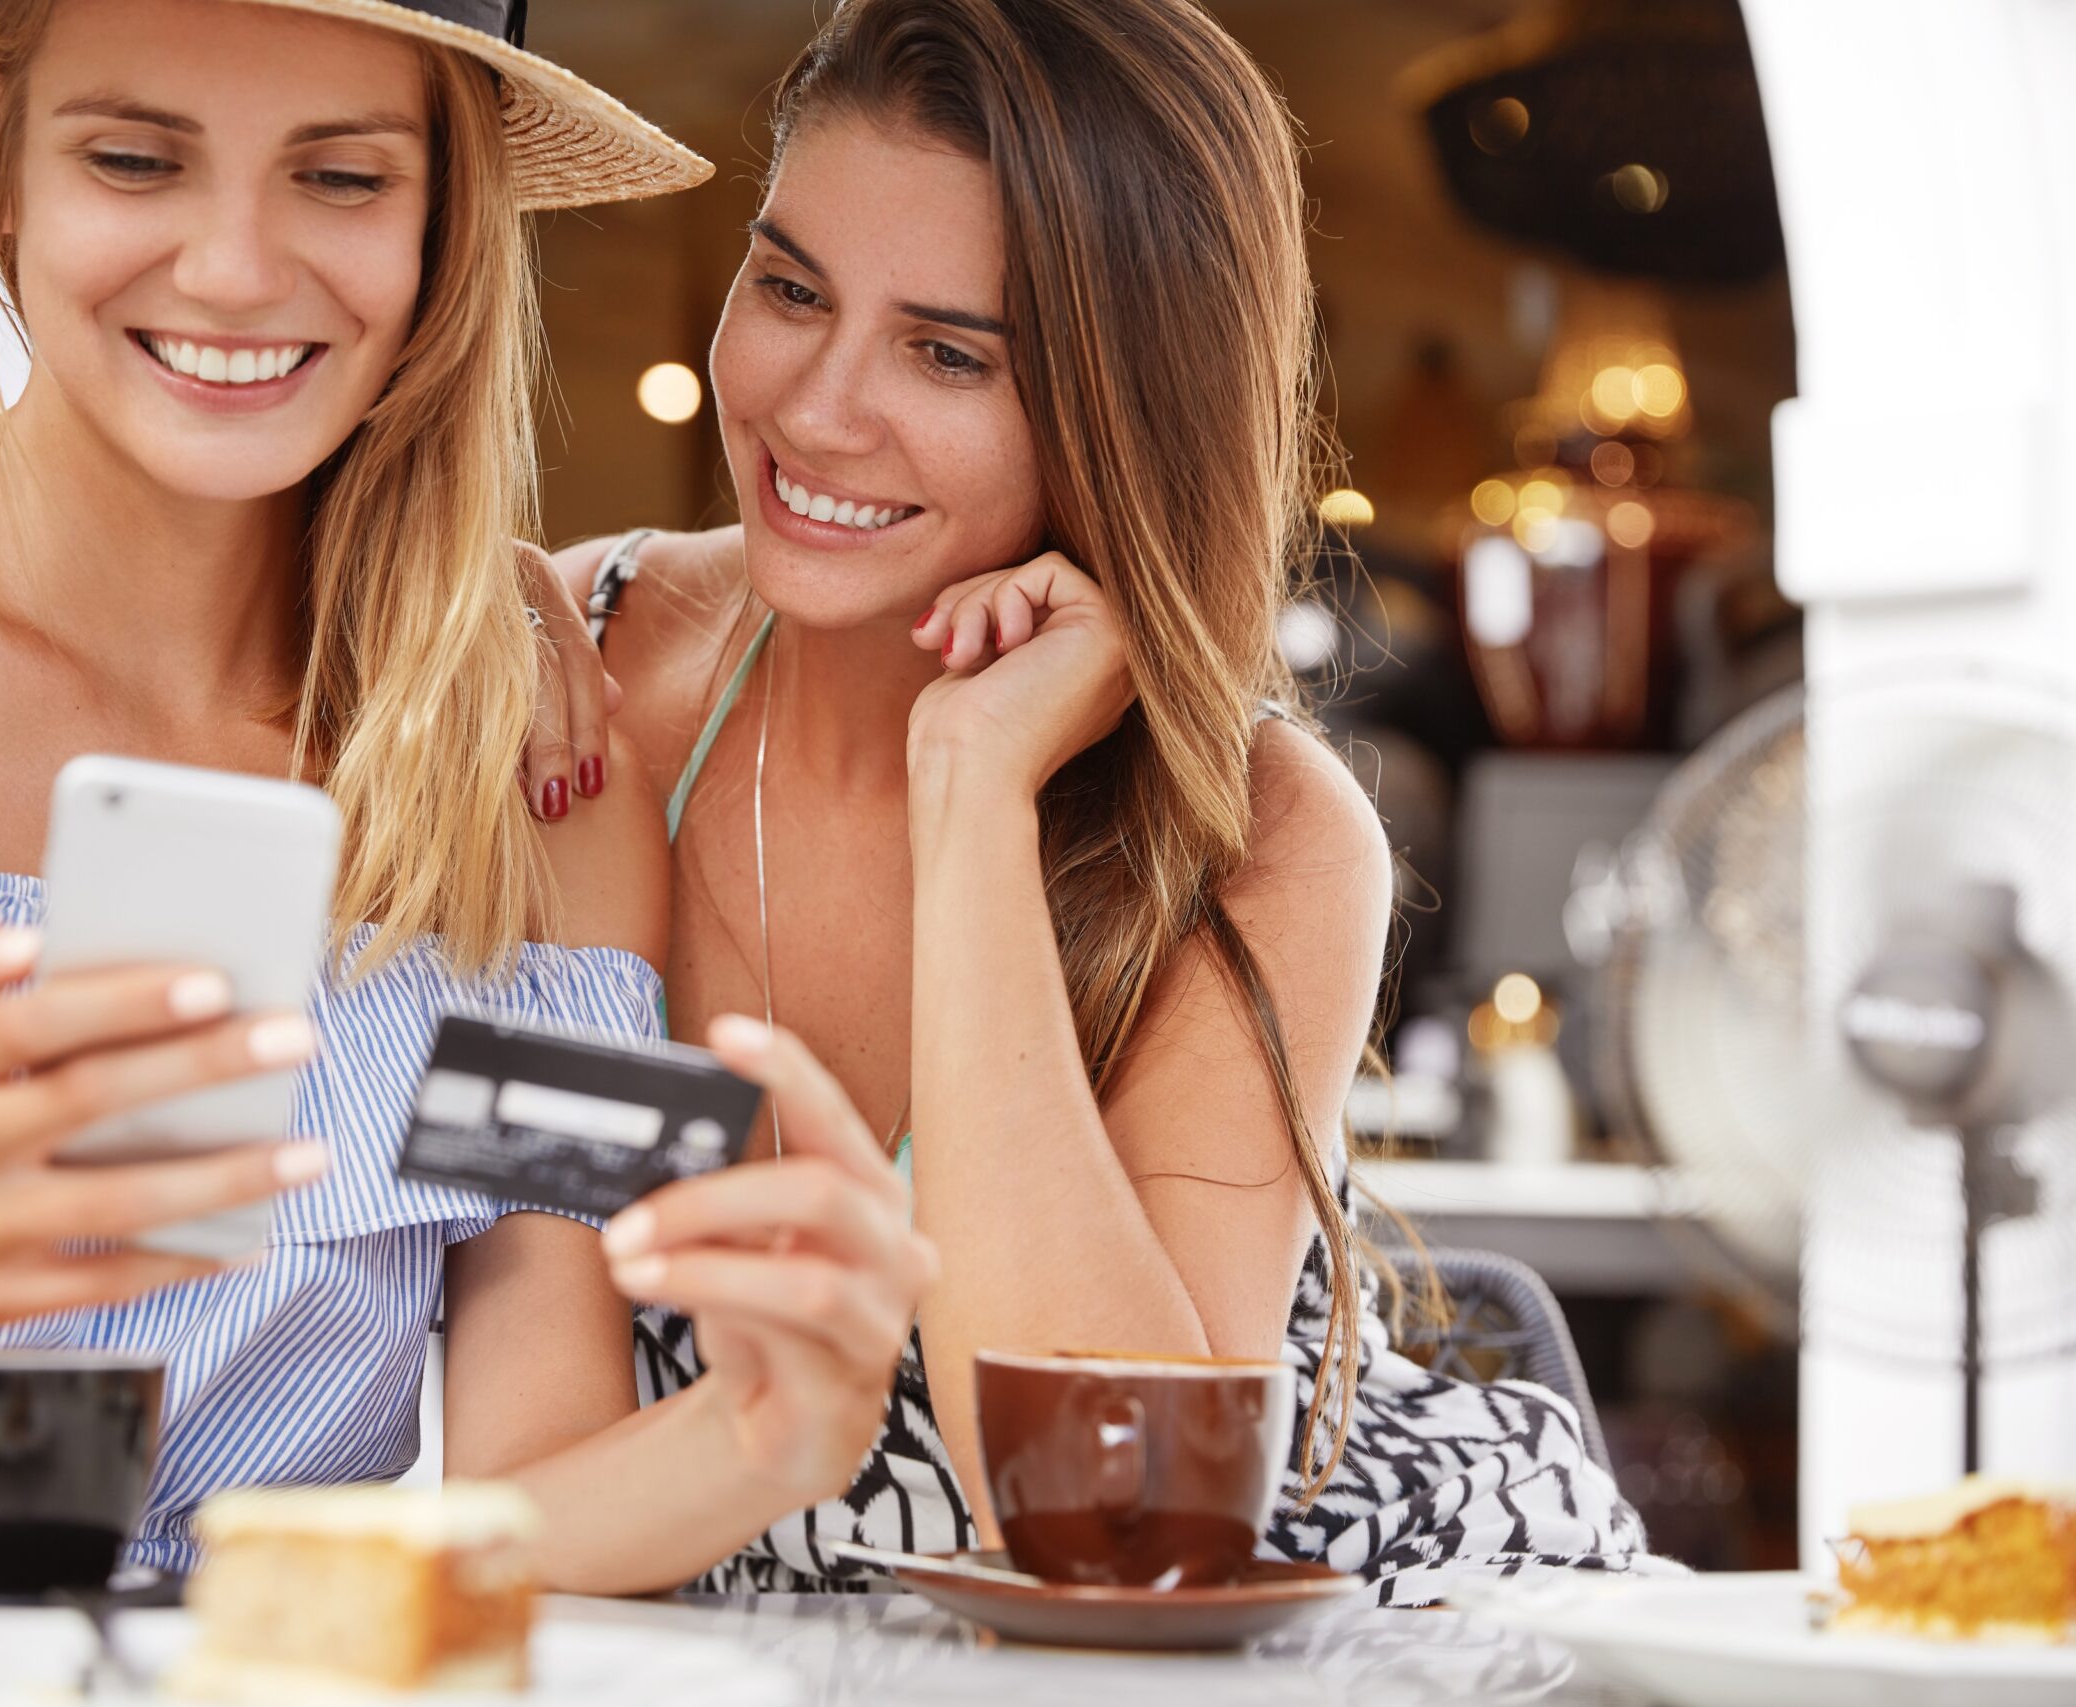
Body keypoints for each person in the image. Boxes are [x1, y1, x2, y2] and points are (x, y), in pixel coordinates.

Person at [0, 0, 931, 1667]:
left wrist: (767, 1434)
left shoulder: (524, 774)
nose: (240, 271)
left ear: (440, 218)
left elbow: (526, 1497)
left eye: (339, 178)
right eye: (134, 159)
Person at [555, 0, 1661, 1604]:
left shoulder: (1258, 830)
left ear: (1119, 408)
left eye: (947, 352)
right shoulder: (569, 680)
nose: (815, 405)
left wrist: (975, 793)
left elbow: (1136, 1520)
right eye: (789, 287)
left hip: (1295, 1634)